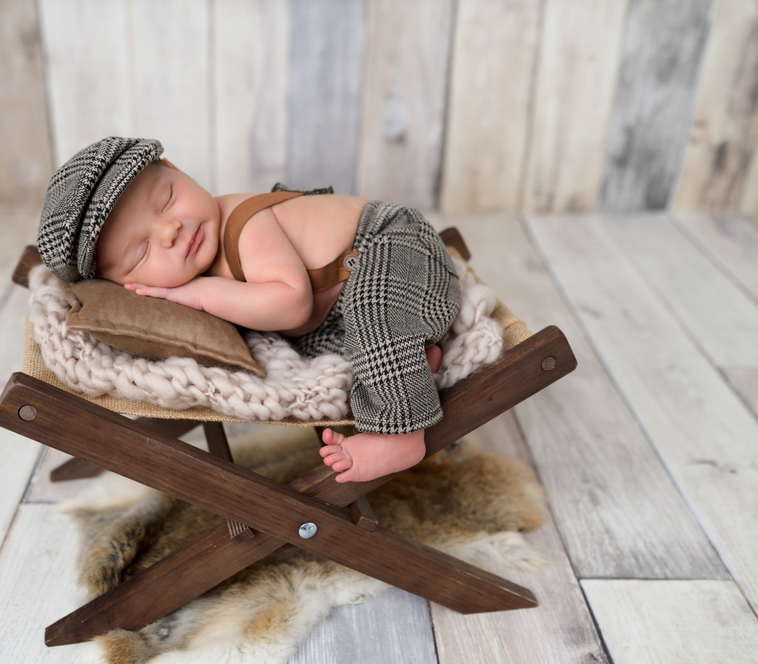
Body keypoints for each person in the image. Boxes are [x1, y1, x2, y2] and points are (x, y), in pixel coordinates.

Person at [38, 137, 460, 484]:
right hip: (343, 299)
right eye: (143, 250)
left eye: (166, 199)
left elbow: (292, 305)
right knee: (322, 346)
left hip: (395, 248)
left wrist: (203, 294)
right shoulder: (197, 253)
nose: (170, 230)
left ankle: (402, 433)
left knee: (372, 310)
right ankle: (413, 364)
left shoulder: (242, 227)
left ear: (174, 167)